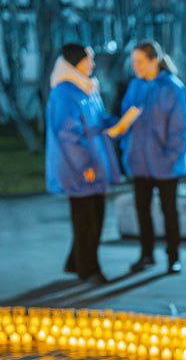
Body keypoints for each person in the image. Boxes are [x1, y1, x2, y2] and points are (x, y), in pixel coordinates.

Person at [45, 43, 127, 286]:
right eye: (88, 60)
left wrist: (116, 123)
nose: (92, 64)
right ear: (75, 63)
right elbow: (68, 135)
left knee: (92, 216)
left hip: (93, 163)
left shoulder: (86, 87)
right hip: (80, 168)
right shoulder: (64, 93)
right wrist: (85, 166)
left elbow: (96, 121)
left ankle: (76, 262)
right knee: (87, 219)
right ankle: (89, 269)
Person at [121, 39, 186, 275]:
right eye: (133, 62)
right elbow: (125, 120)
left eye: (140, 61)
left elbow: (181, 127)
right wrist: (126, 147)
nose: (135, 66)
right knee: (142, 210)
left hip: (165, 163)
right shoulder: (135, 86)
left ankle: (173, 256)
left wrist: (171, 156)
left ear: (154, 61)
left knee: (169, 210)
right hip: (139, 162)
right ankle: (146, 254)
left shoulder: (172, 87)